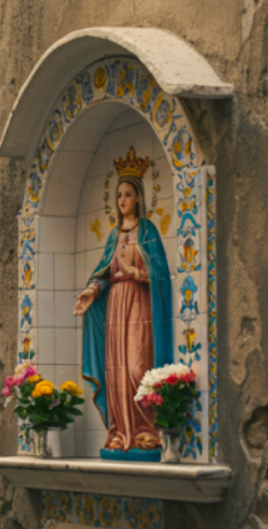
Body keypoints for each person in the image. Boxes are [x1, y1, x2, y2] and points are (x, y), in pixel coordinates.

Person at [74, 150, 173, 456]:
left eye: (127, 194)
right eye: (118, 195)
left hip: (140, 305)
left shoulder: (148, 231)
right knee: (116, 368)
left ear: (139, 198)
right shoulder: (114, 235)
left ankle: (146, 430)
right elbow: (104, 271)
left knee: (137, 366)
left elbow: (161, 273)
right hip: (116, 303)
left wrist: (139, 272)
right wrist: (92, 290)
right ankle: (119, 431)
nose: (122, 200)